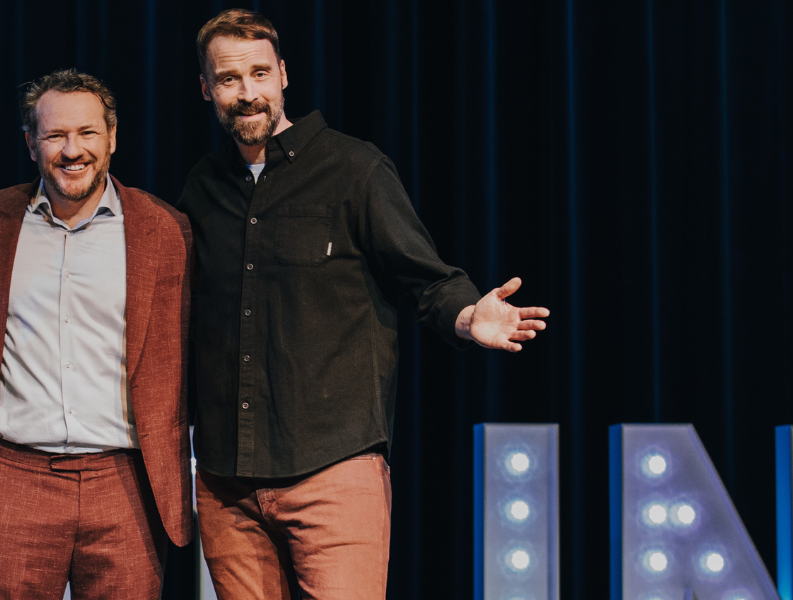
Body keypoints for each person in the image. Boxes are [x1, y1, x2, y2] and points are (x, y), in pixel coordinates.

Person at [176, 10, 553, 600]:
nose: (247, 93)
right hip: (227, 483)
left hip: (333, 473)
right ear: (206, 88)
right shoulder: (200, 188)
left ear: (283, 75)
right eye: (228, 79)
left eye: (259, 73)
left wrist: (465, 314)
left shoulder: (355, 169)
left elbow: (426, 279)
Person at [0, 68, 195, 600]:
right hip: (15, 477)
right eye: (55, 135)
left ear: (112, 138)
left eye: (87, 133)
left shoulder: (165, 228)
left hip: (126, 482)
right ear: (30, 142)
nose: (73, 150)